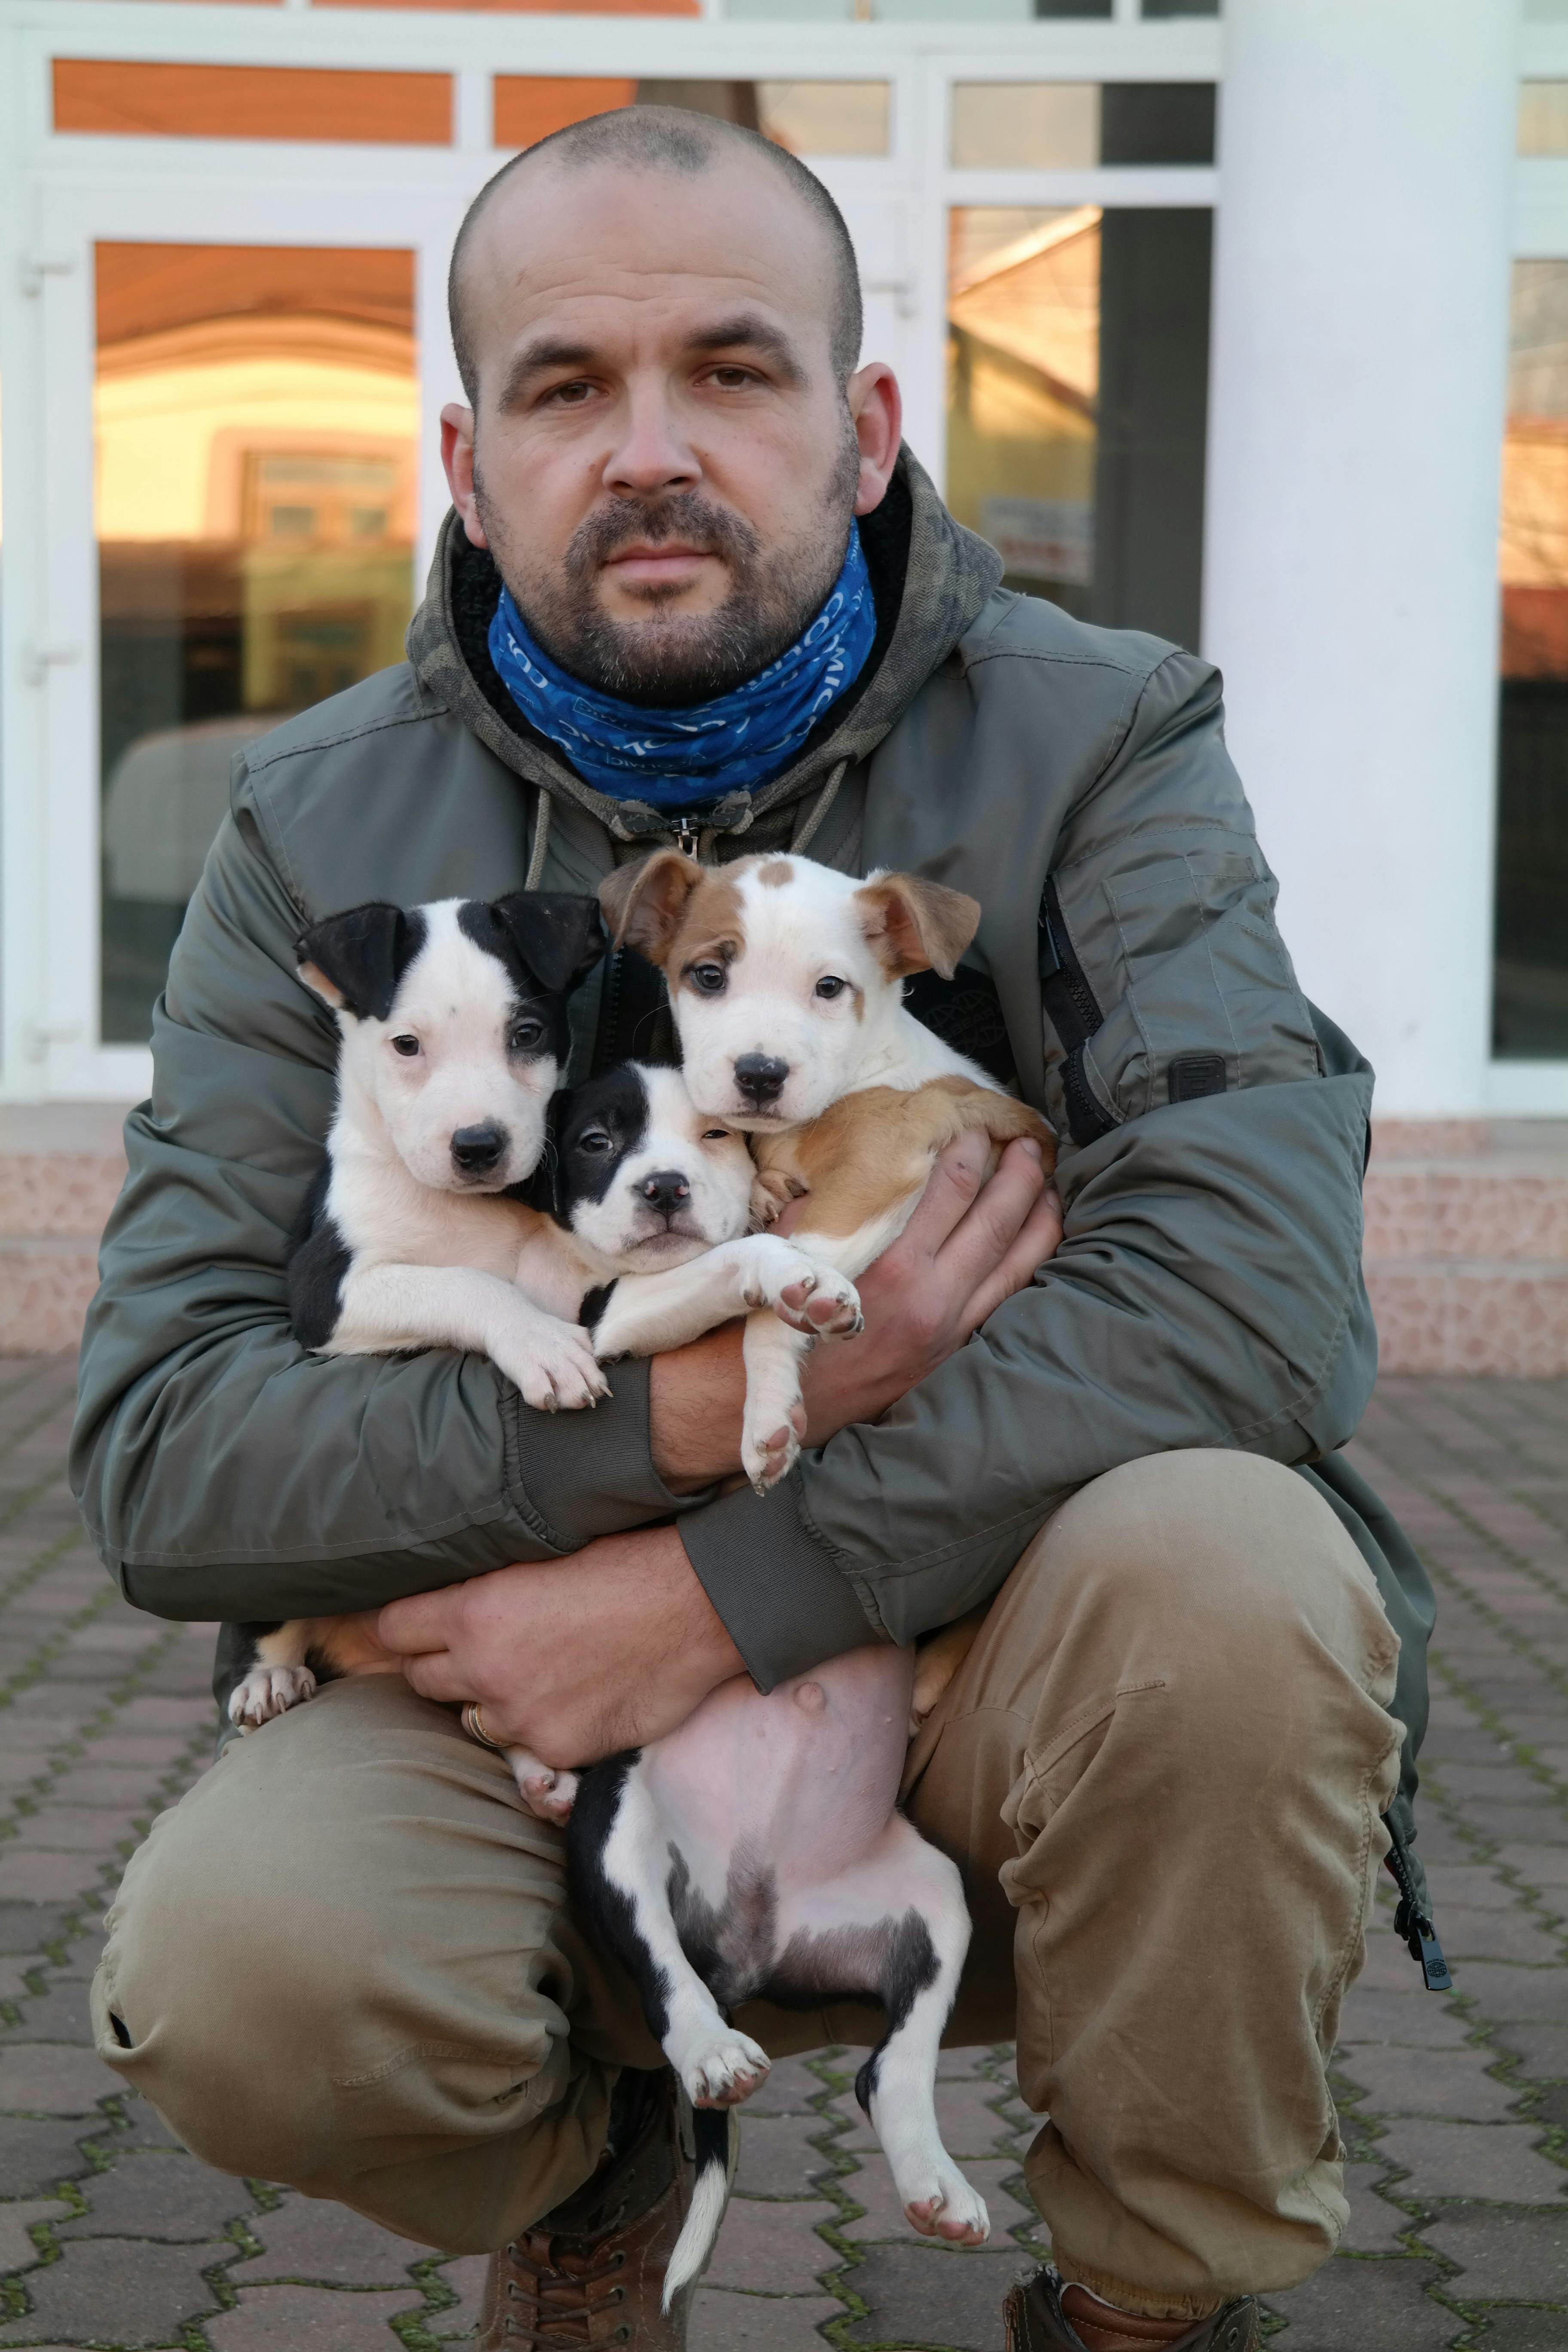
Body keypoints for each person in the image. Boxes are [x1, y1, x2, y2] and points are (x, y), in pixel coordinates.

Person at [70, 108, 1438, 2352]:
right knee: (254, 1979)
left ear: (869, 423)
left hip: (1004, 1627)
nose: (650, 450)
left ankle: (1147, 2299)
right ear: (463, 454)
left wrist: (723, 1590)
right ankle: (589, 2144)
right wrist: (677, 1433)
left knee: (1239, 1578)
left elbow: (1256, 1299)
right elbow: (160, 1449)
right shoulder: (314, 829)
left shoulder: (1099, 741)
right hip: (511, 1663)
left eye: (732, 368)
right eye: (567, 388)